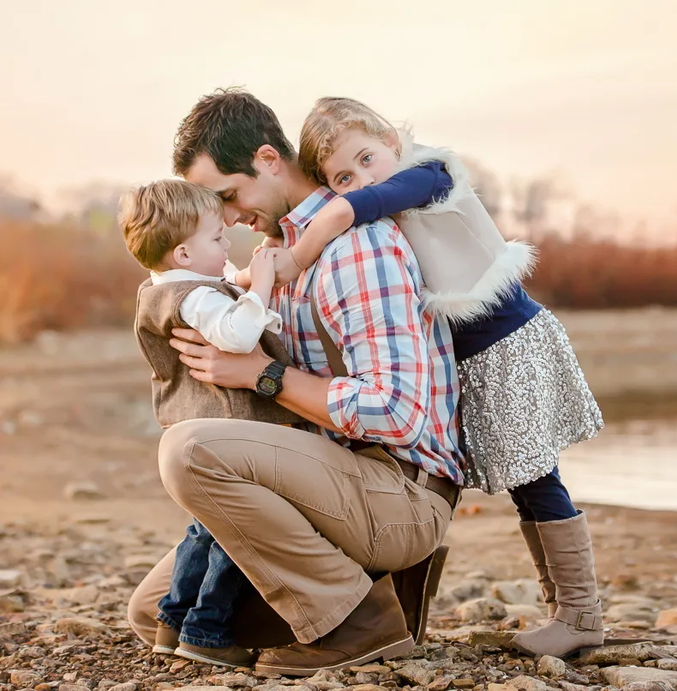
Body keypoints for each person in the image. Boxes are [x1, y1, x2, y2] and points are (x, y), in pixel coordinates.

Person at [125, 88, 463, 676]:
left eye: (228, 196)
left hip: (398, 489)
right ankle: (357, 590)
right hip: (323, 483)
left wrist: (263, 375)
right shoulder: (275, 259)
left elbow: (397, 412)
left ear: (267, 159)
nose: (226, 218)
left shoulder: (356, 246)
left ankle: (361, 622)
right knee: (156, 611)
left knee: (189, 451)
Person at [272, 96, 606, 657]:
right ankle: (570, 611)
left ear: (391, 139)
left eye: (367, 158)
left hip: (504, 347)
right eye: (343, 176)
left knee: (537, 478)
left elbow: (347, 210)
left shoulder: (430, 174)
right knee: (529, 484)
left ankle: (579, 612)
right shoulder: (387, 198)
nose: (362, 179)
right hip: (476, 357)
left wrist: (298, 252)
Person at [119, 178, 299, 668]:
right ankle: (207, 630)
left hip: (193, 425)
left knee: (205, 530)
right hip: (228, 431)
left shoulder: (162, 291)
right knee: (235, 532)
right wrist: (260, 283)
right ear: (182, 253)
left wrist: (240, 284)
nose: (227, 245)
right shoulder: (195, 298)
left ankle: (172, 620)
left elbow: (223, 300)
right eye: (217, 240)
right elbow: (239, 336)